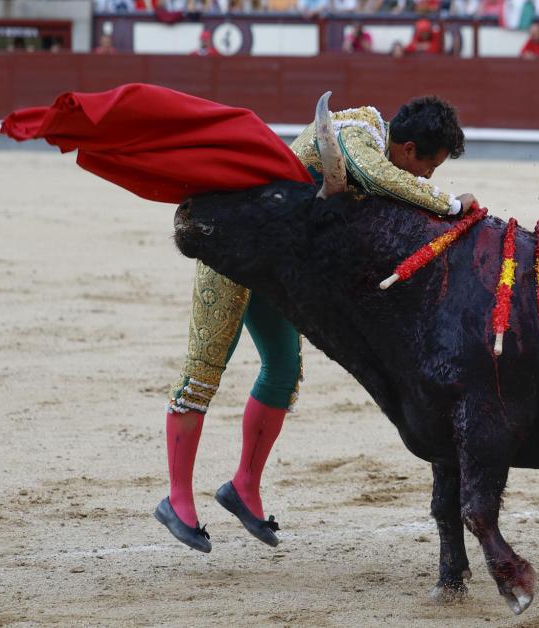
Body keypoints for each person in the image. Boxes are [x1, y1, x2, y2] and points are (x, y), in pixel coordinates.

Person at [157, 96, 478, 552]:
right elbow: (376, 176)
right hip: (230, 248)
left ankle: (243, 487)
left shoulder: (381, 149)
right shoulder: (358, 134)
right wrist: (448, 204)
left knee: (284, 370)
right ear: (407, 148)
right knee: (203, 371)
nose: (428, 176)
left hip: (277, 264)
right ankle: (176, 497)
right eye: (429, 166)